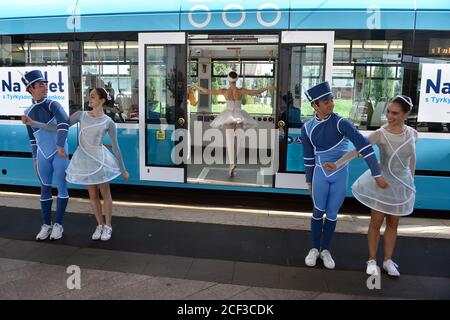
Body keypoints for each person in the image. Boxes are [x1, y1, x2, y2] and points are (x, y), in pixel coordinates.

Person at [324, 95, 417, 277]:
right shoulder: (381, 134)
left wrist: (410, 182)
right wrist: (337, 164)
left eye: (395, 113)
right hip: (382, 182)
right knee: (376, 222)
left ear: (406, 114)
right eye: (388, 112)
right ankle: (372, 260)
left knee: (393, 223)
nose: (389, 116)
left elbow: (412, 160)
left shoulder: (413, 134)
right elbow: (357, 149)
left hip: (402, 183)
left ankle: (388, 261)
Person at [301, 81, 388, 269]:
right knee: (318, 211)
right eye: (325, 102)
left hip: (340, 174)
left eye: (332, 100)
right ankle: (314, 249)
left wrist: (376, 173)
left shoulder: (341, 122)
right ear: (314, 105)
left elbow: (364, 145)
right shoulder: (307, 128)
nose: (331, 104)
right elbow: (308, 157)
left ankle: (326, 250)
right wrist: (308, 180)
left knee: (332, 213)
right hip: (319, 175)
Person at [23, 88, 129, 241]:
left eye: (93, 97)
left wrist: (123, 169)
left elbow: (116, 147)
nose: (89, 98)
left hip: (100, 159)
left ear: (102, 100)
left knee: (105, 192)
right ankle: (99, 225)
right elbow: (59, 127)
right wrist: (34, 123)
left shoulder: (109, 122)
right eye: (89, 96)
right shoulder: (80, 115)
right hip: (84, 158)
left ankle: (108, 226)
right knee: (92, 194)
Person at [193, 71, 274, 177]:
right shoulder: (240, 91)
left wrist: (196, 86)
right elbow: (255, 92)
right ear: (236, 80)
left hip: (228, 116)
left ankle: (231, 163)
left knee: (230, 141)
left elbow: (207, 91)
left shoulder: (224, 91)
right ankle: (234, 162)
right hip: (239, 116)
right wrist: (268, 87)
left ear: (228, 79)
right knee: (238, 141)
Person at [21, 69, 70, 241]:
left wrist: (59, 145)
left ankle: (58, 224)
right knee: (44, 188)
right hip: (42, 155)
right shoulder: (27, 112)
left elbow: (64, 124)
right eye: (40, 84)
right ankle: (46, 224)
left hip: (60, 152)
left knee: (61, 187)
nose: (44, 87)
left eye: (45, 84)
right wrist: (35, 158)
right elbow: (32, 139)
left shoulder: (53, 104)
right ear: (30, 88)